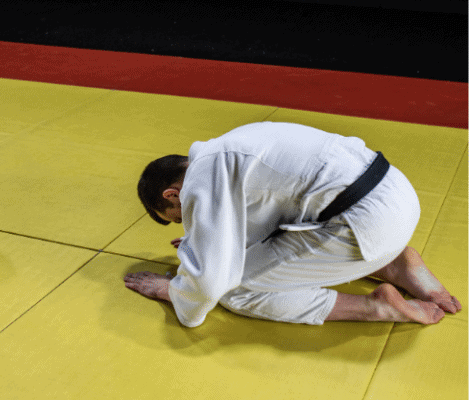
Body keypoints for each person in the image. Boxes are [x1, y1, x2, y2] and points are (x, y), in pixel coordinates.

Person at [124, 122, 461, 327]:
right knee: (274, 246)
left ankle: (375, 307)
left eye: (182, 216)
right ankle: (393, 263)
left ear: (172, 194)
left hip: (367, 224)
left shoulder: (201, 180)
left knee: (233, 290)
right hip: (397, 196)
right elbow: (268, 219)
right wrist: (202, 241)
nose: (191, 221)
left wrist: (174, 290)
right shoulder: (233, 145)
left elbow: (210, 283)